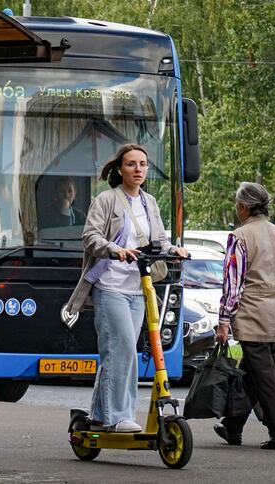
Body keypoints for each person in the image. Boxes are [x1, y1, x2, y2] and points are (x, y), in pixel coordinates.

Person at [61, 144, 188, 432]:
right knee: (122, 351)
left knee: (118, 351)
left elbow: (159, 241)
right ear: (120, 169)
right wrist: (114, 250)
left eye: (143, 164)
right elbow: (89, 237)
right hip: (110, 286)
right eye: (132, 164)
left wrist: (174, 250)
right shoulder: (106, 200)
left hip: (138, 289)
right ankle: (118, 417)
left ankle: (97, 415)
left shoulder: (150, 203)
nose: (139, 169)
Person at [213, 182, 275, 449]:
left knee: (263, 374)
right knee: (251, 369)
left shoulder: (240, 236)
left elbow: (232, 283)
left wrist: (224, 320)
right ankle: (233, 427)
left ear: (243, 207)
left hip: (252, 312)